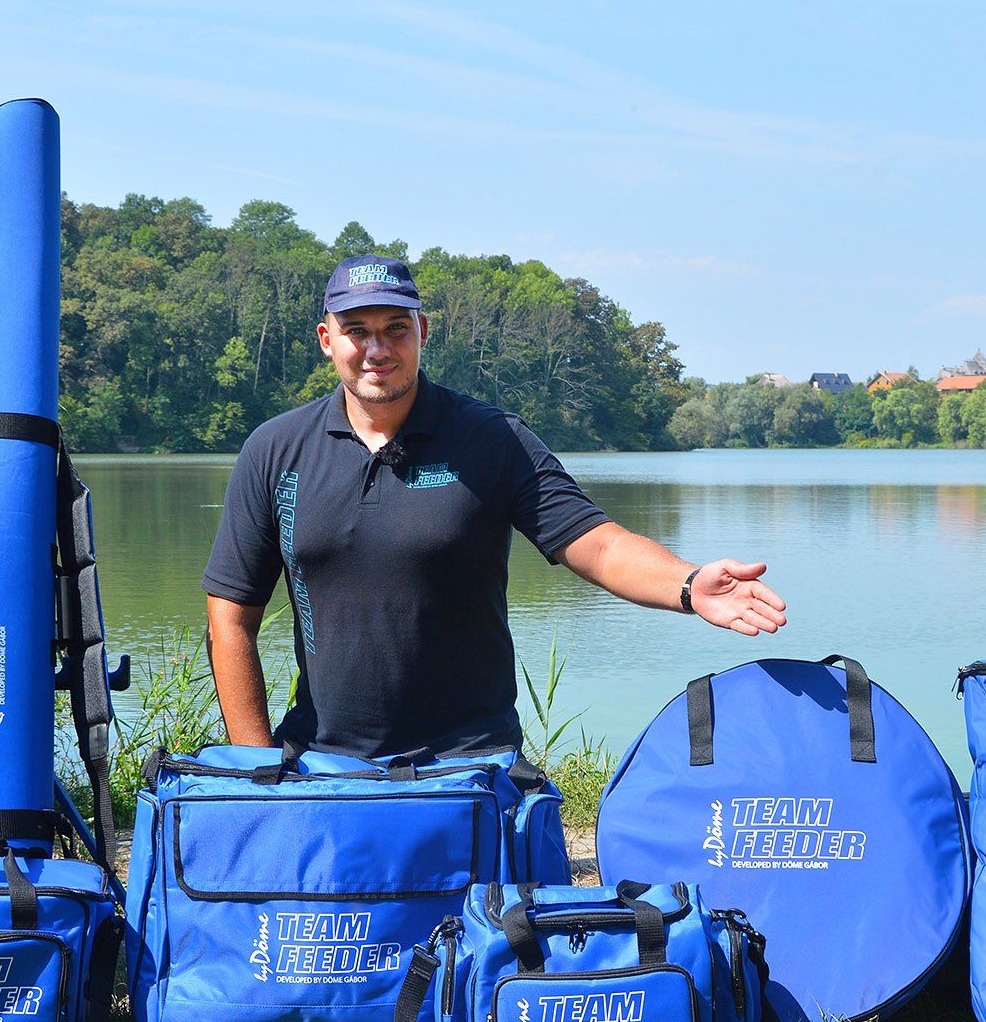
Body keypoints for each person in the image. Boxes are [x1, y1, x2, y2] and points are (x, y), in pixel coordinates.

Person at [203, 254, 787, 757]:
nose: (377, 349)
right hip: (322, 763)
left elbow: (599, 544)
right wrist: (259, 769)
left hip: (469, 764)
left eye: (395, 329)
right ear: (327, 339)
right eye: (357, 330)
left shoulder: (492, 439)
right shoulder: (276, 450)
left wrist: (688, 585)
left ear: (422, 332)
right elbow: (230, 615)